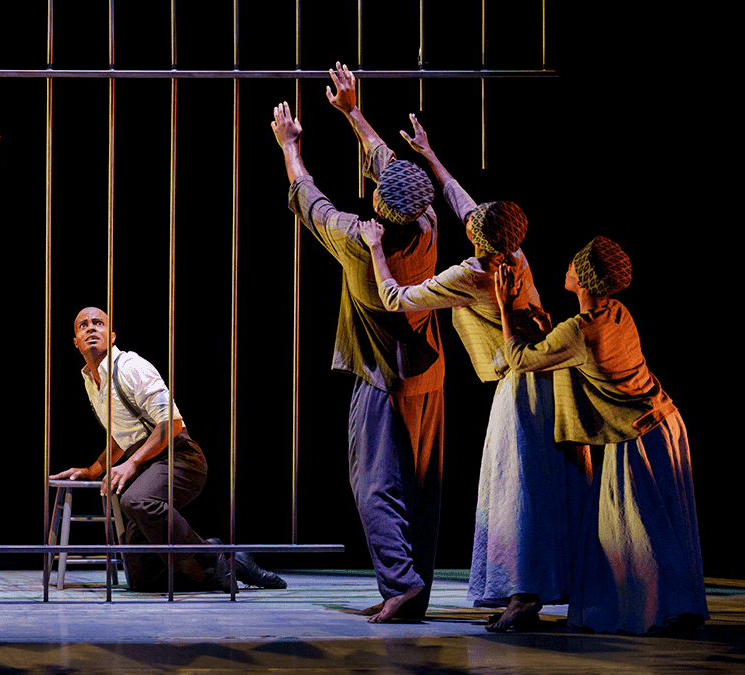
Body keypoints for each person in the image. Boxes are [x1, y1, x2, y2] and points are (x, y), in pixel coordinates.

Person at [357, 115, 583, 631]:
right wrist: (431, 155)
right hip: (543, 384)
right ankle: (529, 591)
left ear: (479, 240)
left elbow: (397, 298)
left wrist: (374, 247)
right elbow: (463, 202)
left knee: (514, 490)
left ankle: (522, 594)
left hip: (518, 388)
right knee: (533, 489)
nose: (463, 218)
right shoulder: (514, 256)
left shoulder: (472, 276)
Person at [272, 62, 443, 622]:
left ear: (375, 208)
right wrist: (352, 113)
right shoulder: (427, 226)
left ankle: (401, 583)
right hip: (428, 377)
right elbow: (392, 167)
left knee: (374, 485)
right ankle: (414, 584)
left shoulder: (360, 243)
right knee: (421, 489)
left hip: (381, 376)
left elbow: (311, 202)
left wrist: (290, 146)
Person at [493, 236, 708, 634]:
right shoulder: (616, 311)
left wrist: (505, 308)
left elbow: (520, 359)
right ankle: (676, 608)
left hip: (639, 436)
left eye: (576, 266)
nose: (569, 269)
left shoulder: (579, 331)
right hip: (665, 423)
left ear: (587, 281)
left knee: (638, 532)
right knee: (654, 527)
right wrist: (550, 331)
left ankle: (664, 612)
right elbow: (576, 347)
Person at [50, 307, 286, 593]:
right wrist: (92, 469)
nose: (91, 328)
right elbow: (119, 437)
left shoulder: (130, 367)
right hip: (149, 465)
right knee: (143, 578)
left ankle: (214, 559)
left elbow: (171, 423)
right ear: (75, 341)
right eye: (83, 325)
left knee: (135, 500)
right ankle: (233, 562)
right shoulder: (91, 380)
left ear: (111, 336)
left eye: (98, 323)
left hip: (180, 457)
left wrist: (133, 462)